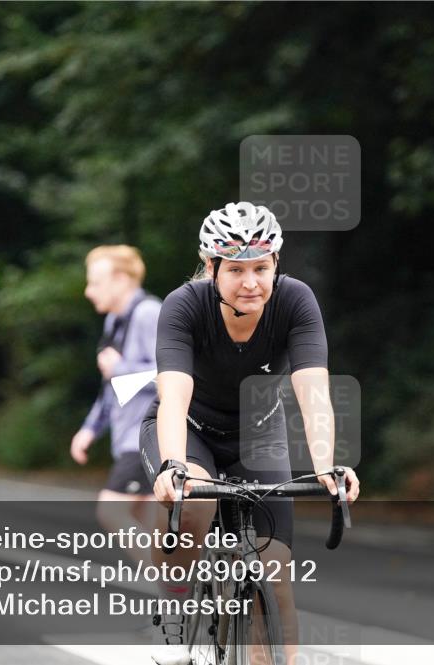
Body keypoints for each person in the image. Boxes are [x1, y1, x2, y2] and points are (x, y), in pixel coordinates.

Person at [139, 202, 361, 665]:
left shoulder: (296, 301)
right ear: (211, 267)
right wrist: (173, 467)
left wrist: (327, 466)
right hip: (189, 430)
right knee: (194, 502)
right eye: (236, 269)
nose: (251, 282)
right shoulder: (184, 306)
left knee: (275, 579)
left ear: (276, 263)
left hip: (258, 435)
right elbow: (174, 396)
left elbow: (314, 392)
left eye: (261, 267)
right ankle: (174, 608)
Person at [70, 245, 161, 565]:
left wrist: (120, 368)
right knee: (152, 526)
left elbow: (172, 377)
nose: (88, 290)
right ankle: (182, 601)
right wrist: (90, 428)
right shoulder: (114, 321)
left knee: (112, 510)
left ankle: (176, 588)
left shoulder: (149, 313)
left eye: (95, 282)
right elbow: (112, 385)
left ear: (121, 279)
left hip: (149, 435)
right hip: (128, 439)